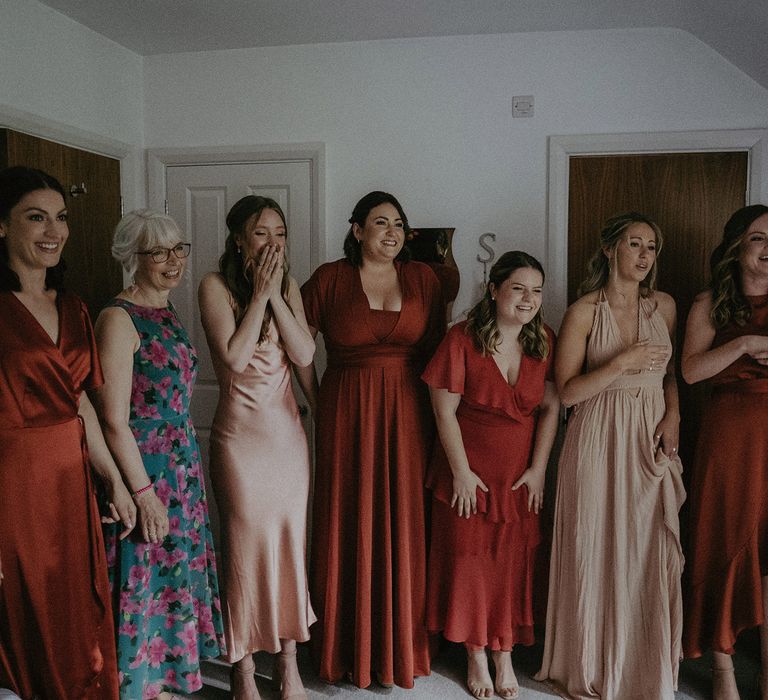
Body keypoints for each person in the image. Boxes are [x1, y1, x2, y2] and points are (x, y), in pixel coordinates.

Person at [297, 191, 444, 688]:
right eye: (380, 223)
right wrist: (316, 399)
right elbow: (296, 343)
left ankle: (401, 645)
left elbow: (439, 352)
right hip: (346, 407)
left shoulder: (424, 279)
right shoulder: (328, 278)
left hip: (409, 408)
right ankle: (345, 649)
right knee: (347, 513)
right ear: (357, 230)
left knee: (406, 516)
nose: (391, 232)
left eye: (399, 224)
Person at [535, 212, 685, 699]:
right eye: (634, 244)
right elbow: (568, 392)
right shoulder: (582, 311)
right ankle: (592, 664)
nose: (644, 256)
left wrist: (674, 418)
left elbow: (669, 376)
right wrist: (620, 362)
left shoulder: (663, 306)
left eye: (651, 248)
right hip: (596, 435)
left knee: (648, 548)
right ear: (609, 250)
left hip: (648, 435)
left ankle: (643, 666)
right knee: (594, 544)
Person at [0, 166, 135, 699]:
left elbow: (80, 403)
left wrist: (117, 483)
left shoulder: (75, 307)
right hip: (13, 484)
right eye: (36, 217)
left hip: (69, 480)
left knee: (80, 620)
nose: (53, 230)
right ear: (3, 227)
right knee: (25, 625)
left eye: (60, 218)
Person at [94, 209, 226, 698]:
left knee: (170, 575)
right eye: (158, 252)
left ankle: (165, 682)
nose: (173, 261)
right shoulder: (117, 318)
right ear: (133, 257)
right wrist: (143, 493)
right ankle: (137, 687)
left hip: (180, 465)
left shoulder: (166, 311)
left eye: (178, 249)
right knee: (143, 577)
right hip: (144, 469)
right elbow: (112, 418)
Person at [423, 251, 559, 699]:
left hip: (520, 477)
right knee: (470, 563)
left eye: (536, 290)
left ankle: (505, 653)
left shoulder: (544, 340)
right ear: (494, 289)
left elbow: (552, 407)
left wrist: (539, 470)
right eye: (519, 288)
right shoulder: (461, 339)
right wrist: (460, 473)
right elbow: (443, 412)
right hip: (469, 472)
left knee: (511, 564)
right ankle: (477, 654)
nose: (529, 299)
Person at [199, 195, 315, 700]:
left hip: (287, 439)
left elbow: (306, 352)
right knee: (244, 551)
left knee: (290, 547)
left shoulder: (289, 284)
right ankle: (243, 667)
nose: (273, 243)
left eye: (280, 233)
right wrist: (261, 294)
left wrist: (276, 293)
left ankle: (288, 663)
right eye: (262, 232)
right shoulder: (214, 286)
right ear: (239, 239)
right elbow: (235, 358)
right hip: (240, 442)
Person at [682, 204, 768, 700]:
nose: (767, 249)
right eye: (758, 239)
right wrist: (744, 344)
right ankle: (722, 669)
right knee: (723, 543)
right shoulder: (711, 301)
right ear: (737, 246)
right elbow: (691, 371)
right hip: (729, 437)